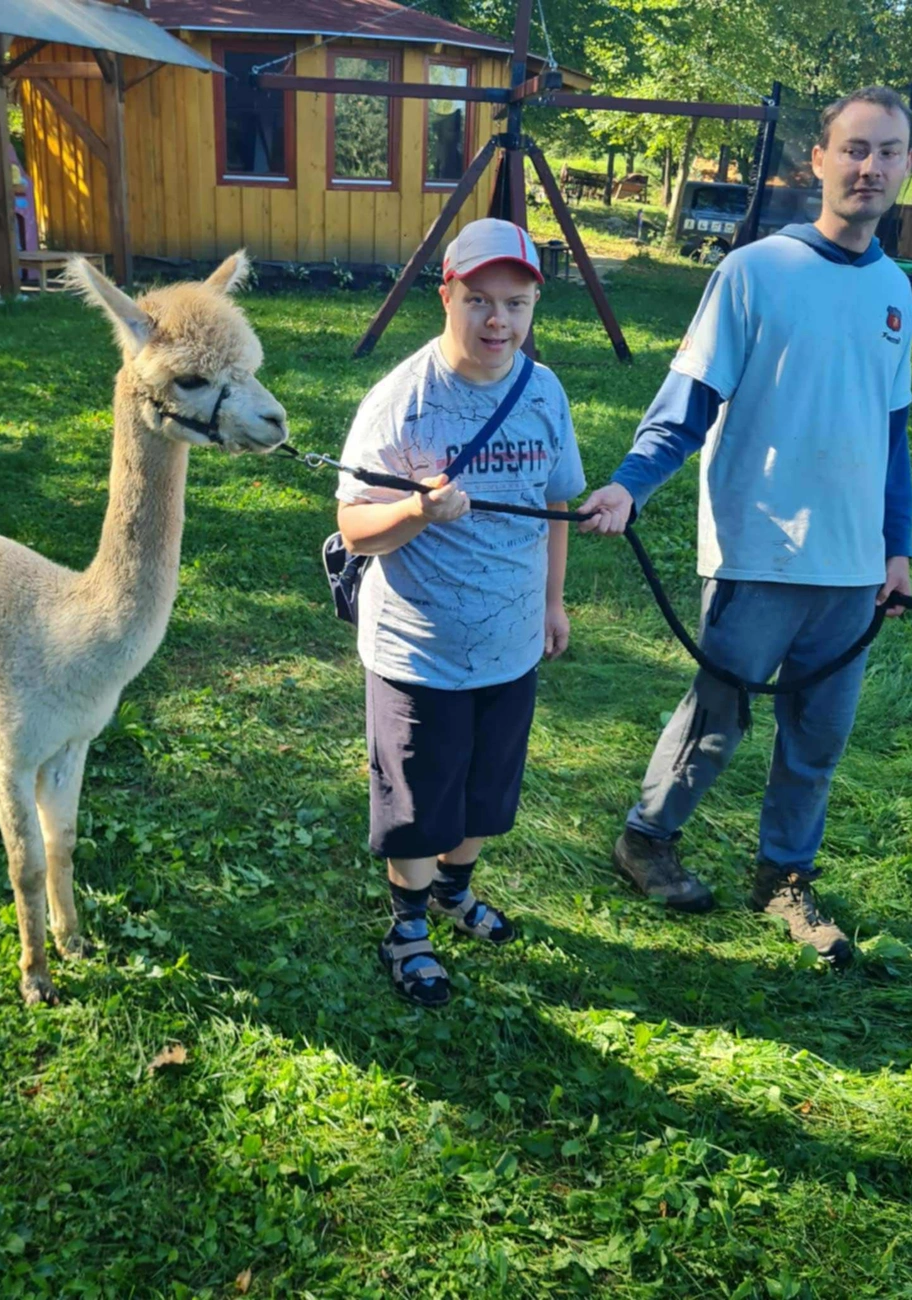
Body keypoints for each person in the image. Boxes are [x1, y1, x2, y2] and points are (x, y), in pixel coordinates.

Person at [579, 86, 912, 967]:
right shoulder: (755, 271)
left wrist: (897, 550)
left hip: (851, 575)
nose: (869, 167)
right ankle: (647, 838)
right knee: (717, 715)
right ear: (819, 159)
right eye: (853, 149)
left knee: (818, 738)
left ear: (908, 169)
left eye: (888, 152)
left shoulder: (894, 290)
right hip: (759, 552)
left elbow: (893, 436)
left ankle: (784, 879)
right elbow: (688, 403)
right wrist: (630, 485)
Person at [336, 218, 586, 1007]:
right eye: (478, 299)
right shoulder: (400, 402)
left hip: (510, 642)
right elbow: (354, 527)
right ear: (445, 294)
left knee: (484, 793)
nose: (496, 322)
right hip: (420, 649)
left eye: (515, 304)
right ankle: (406, 928)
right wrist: (415, 514)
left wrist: (552, 601)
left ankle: (454, 893)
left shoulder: (542, 390)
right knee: (419, 803)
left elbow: (556, 501)